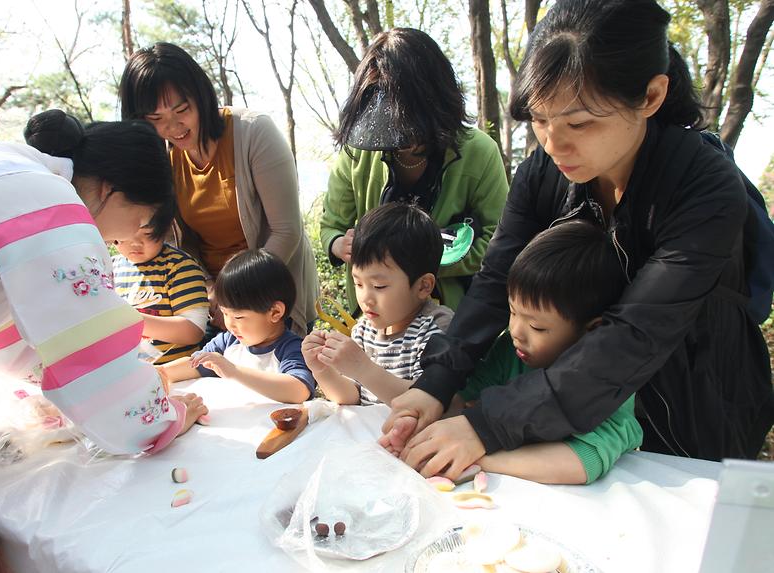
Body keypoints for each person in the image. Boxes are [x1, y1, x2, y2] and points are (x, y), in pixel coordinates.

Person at [381, 0, 774, 478]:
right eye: (541, 121)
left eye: (580, 123)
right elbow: (494, 282)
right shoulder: (543, 173)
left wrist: (488, 424)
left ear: (650, 96)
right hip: (571, 412)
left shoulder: (704, 185)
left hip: (692, 399)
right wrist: (435, 383)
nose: (554, 144)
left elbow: (636, 332)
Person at [0, 115, 206, 572]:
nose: (129, 237)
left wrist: (51, 390)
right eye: (142, 219)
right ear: (110, 188)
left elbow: (7, 333)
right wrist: (162, 417)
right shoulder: (46, 198)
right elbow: (92, 350)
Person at [119, 42, 318, 336]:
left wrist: (234, 297)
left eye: (182, 110)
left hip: (271, 293)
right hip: (213, 302)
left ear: (200, 95)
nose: (174, 127)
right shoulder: (162, 159)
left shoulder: (253, 132)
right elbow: (183, 242)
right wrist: (210, 292)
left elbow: (286, 232)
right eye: (156, 119)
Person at [319, 27, 508, 313]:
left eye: (405, 125)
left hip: (451, 317)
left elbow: (500, 240)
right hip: (374, 321)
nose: (394, 138)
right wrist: (338, 245)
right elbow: (331, 225)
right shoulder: (357, 151)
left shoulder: (479, 153)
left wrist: (423, 262)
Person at [446, 221, 641, 484]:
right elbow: (465, 399)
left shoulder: (609, 384)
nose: (516, 331)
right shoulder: (510, 350)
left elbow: (583, 460)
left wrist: (479, 458)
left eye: (537, 326)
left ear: (591, 329)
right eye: (512, 312)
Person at [303, 203, 452, 406]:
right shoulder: (364, 329)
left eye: (379, 286)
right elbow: (350, 397)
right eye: (358, 283)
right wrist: (322, 370)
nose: (365, 298)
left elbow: (425, 399)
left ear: (423, 286)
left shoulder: (436, 327)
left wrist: (363, 368)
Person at [158, 249, 315, 404]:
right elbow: (195, 364)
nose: (230, 324)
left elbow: (299, 390)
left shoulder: (291, 348)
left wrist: (234, 371)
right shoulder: (228, 341)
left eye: (238, 317)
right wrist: (161, 373)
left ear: (275, 312)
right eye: (225, 314)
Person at [112, 201, 211, 364]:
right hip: (128, 370)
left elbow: (193, 331)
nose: (136, 243)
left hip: (176, 372)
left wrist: (127, 320)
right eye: (127, 234)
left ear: (164, 230)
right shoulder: (112, 267)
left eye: (147, 233)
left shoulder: (179, 267)